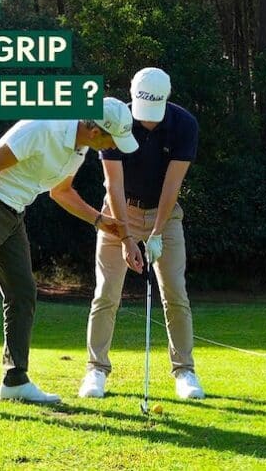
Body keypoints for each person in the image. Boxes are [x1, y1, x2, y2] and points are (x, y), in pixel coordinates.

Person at [0, 97, 139, 411]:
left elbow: (61, 191)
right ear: (95, 132)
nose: (113, 147)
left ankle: (15, 380)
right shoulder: (44, 126)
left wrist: (99, 220)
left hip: (13, 213)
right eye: (112, 140)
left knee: (23, 293)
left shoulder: (78, 149)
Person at [78, 67, 204, 400]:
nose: (147, 120)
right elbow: (113, 185)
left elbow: (172, 186)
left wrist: (157, 233)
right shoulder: (114, 119)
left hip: (165, 214)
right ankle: (96, 369)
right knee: (106, 292)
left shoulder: (184, 125)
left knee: (175, 292)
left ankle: (185, 371)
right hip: (119, 212)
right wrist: (126, 237)